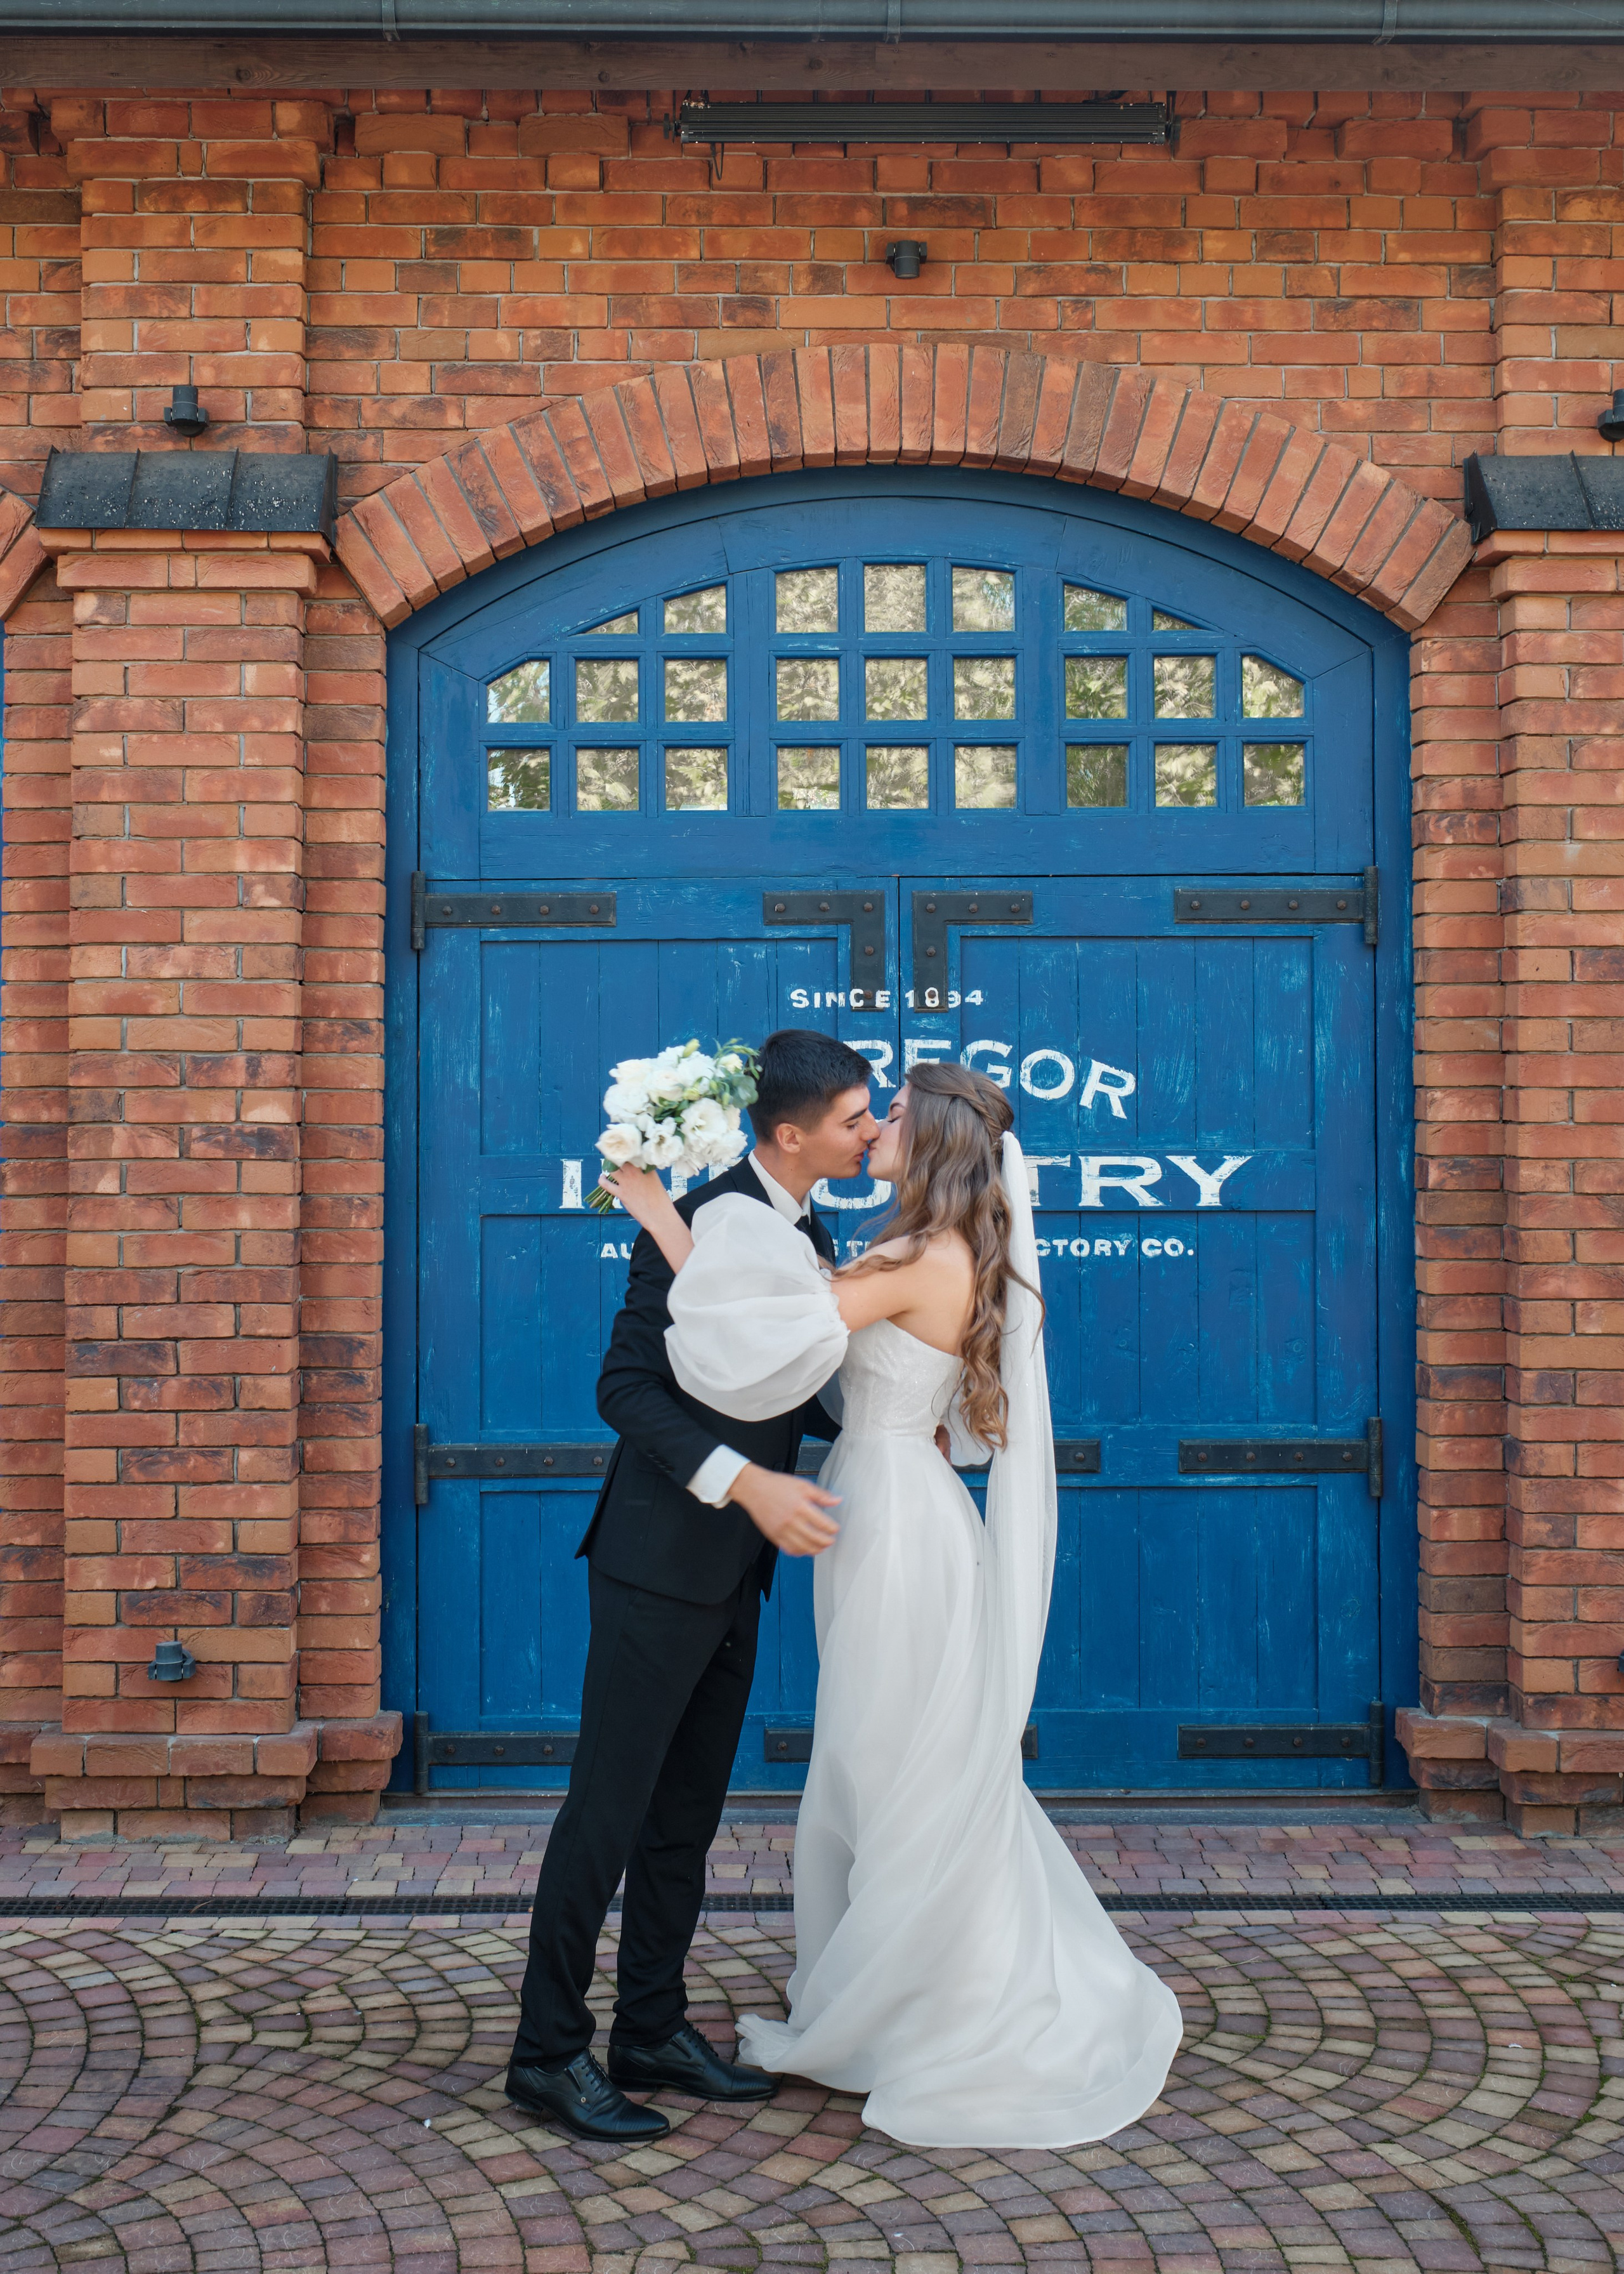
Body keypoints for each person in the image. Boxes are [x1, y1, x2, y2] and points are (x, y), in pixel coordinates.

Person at [605, 1060, 1184, 2150]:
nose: (873, 1126)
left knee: (889, 1761)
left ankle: (917, 2012)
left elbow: (758, 1340)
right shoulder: (929, 1248)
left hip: (898, 1533)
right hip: (890, 1505)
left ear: (932, 1144)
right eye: (866, 1113)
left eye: (893, 1117)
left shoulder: (920, 1254)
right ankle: (904, 1989)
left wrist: (659, 1217)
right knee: (892, 1757)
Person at [504, 1029, 879, 2144]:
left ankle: (651, 2029)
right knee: (607, 1817)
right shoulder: (704, 1216)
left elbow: (791, 1376)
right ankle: (547, 2053)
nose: (869, 1133)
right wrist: (748, 1487)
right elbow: (626, 1386)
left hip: (731, 1579)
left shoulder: (812, 1224)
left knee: (686, 1820)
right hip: (656, 1563)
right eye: (858, 1117)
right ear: (791, 1132)